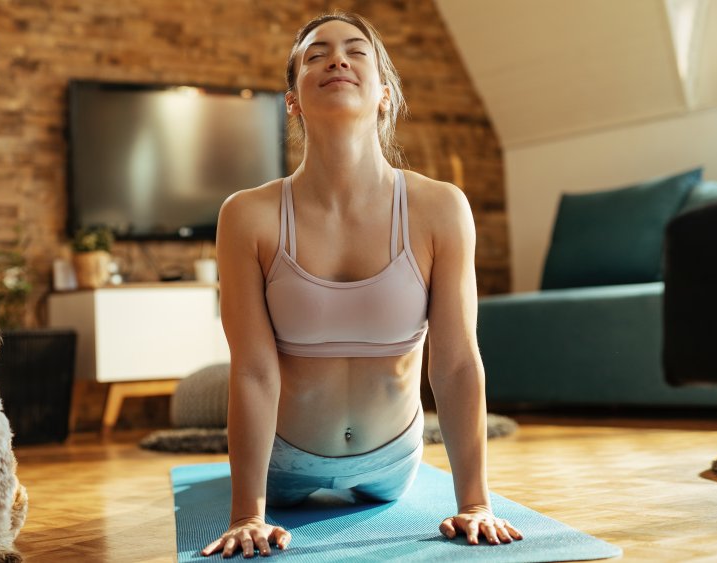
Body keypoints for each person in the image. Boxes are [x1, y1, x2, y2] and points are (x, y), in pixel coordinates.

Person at [202, 12, 523, 558]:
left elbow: (457, 362)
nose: (337, 59)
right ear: (293, 100)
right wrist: (246, 514)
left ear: (385, 93)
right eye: (315, 54)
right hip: (284, 462)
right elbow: (253, 370)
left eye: (356, 50)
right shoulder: (247, 215)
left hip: (393, 460)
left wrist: (474, 504)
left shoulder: (439, 207)